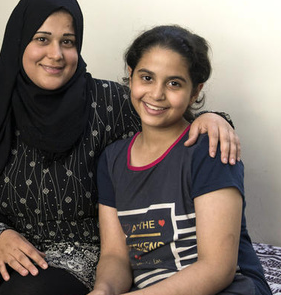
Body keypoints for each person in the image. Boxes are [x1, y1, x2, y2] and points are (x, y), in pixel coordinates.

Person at [0, 0, 240, 295]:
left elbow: (166, 116)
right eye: (42, 39)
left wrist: (213, 118)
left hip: (75, 254)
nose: (56, 54)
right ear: (18, 42)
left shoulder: (111, 103)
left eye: (68, 42)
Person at [91, 25, 270, 295]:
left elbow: (217, 268)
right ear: (131, 75)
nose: (157, 94)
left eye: (174, 83)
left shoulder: (208, 150)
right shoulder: (112, 160)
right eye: (147, 78)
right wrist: (103, 290)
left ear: (195, 92)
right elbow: (115, 256)